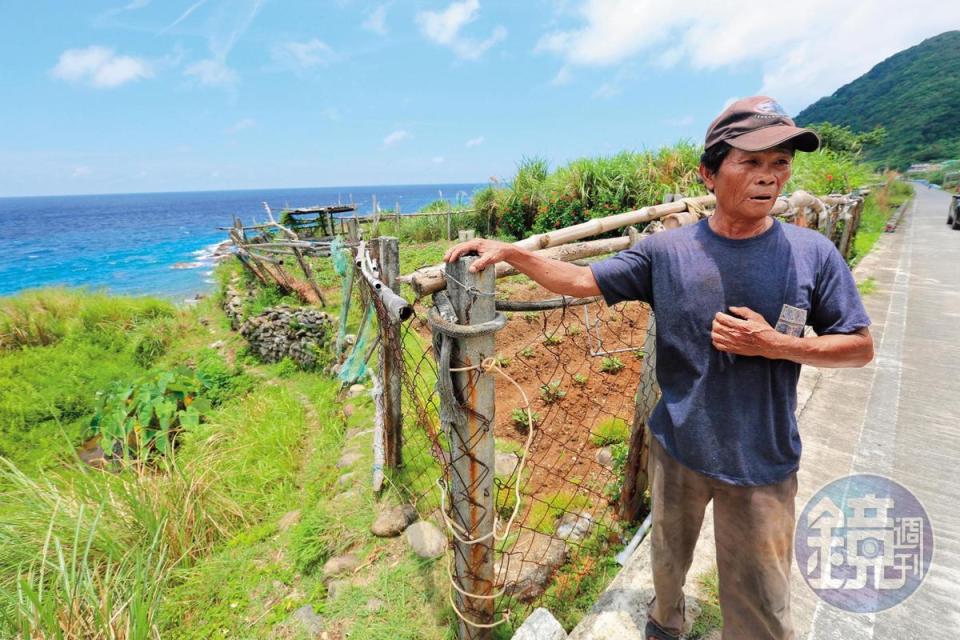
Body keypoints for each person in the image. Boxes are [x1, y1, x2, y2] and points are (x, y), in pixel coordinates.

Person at [443, 96, 874, 640]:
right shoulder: (666, 252)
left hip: (762, 460)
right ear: (709, 174)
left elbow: (858, 347)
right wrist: (513, 254)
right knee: (668, 564)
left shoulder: (810, 253)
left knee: (763, 600)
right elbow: (582, 281)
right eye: (751, 163)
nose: (769, 178)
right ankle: (665, 623)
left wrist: (777, 346)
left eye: (780, 165)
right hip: (678, 448)